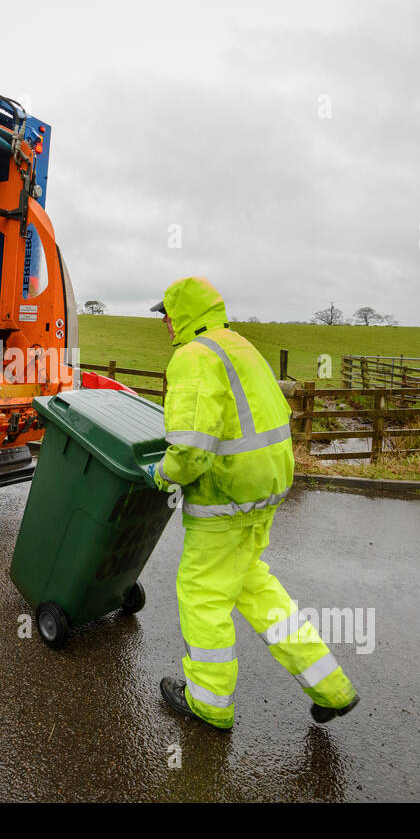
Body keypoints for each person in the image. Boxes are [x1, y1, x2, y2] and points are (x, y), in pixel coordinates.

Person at [145, 277, 360, 730]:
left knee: (202, 597)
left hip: (225, 497)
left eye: (166, 313)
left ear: (182, 313)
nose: (164, 323)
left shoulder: (193, 357)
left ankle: (209, 702)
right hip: (265, 490)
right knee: (257, 591)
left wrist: (160, 475)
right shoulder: (239, 345)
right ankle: (331, 687)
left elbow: (189, 449)